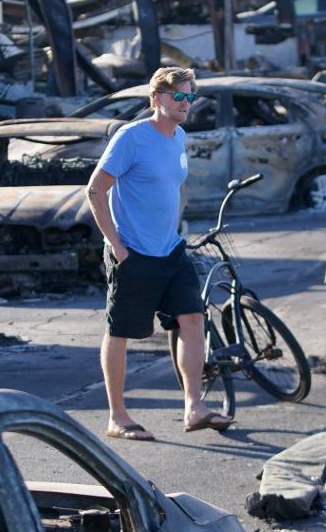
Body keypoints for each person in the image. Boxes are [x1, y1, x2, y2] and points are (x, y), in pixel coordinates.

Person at [85, 66, 233, 440]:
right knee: (120, 332)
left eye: (189, 97)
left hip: (170, 249)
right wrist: (117, 246)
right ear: (156, 98)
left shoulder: (179, 136)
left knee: (193, 318)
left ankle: (194, 407)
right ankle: (117, 416)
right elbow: (95, 191)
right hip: (132, 252)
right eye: (177, 96)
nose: (185, 104)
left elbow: (169, 189)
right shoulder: (131, 138)